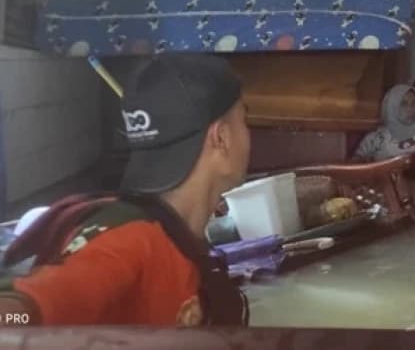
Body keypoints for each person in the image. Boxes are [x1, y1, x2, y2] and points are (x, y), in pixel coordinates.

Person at [0, 54, 251, 325]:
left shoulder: (180, 238)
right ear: (221, 138)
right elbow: (16, 315)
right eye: (244, 121)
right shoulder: (130, 241)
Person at [352, 84, 415, 170]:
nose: (410, 109)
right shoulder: (376, 138)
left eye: (414, 103)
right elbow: (354, 165)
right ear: (392, 106)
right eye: (404, 104)